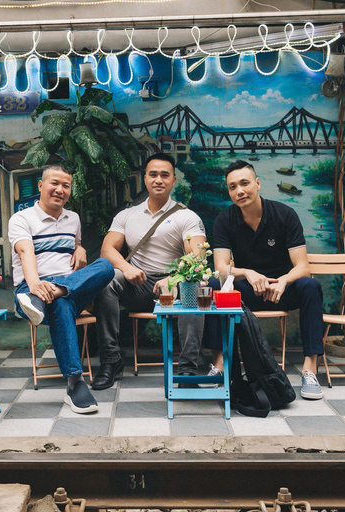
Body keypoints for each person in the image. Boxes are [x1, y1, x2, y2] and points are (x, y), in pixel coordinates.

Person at [206, 160, 326, 400]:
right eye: (232, 187)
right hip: (247, 292)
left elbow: (303, 266)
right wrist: (246, 273)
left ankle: (310, 369)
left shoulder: (284, 214)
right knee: (213, 285)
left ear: (257, 183)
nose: (239, 191)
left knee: (311, 286)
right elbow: (220, 268)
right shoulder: (224, 220)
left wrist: (283, 281)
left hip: (282, 290)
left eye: (244, 183)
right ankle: (219, 364)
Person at [91, 153, 208, 390]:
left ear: (174, 180)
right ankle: (111, 360)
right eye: (153, 174)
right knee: (106, 279)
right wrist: (126, 268)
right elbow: (107, 249)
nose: (158, 180)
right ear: (145, 179)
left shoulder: (187, 216)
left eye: (165, 175)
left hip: (172, 286)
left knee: (193, 286)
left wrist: (174, 278)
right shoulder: (127, 215)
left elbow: (198, 257)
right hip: (138, 283)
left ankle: (187, 368)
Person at [9, 164, 114, 414]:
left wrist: (80, 248)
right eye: (54, 183)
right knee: (61, 303)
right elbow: (26, 251)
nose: (60, 190)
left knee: (107, 266)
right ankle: (75, 383)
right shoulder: (22, 219)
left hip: (68, 287)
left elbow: (75, 244)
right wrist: (35, 285)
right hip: (31, 289)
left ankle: (57, 291)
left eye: (66, 186)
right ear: (41, 186)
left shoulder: (73, 218)